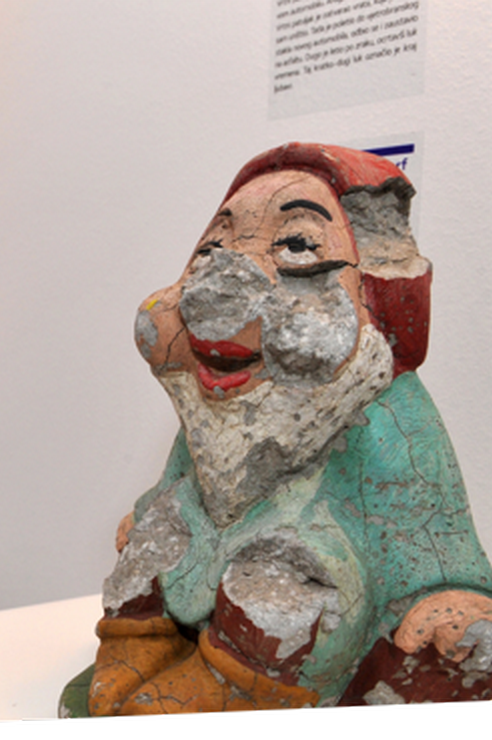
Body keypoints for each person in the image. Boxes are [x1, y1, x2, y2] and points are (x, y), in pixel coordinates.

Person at [60, 143, 492, 717]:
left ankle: (237, 680)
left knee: (283, 582)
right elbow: (187, 469)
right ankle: (138, 641)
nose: (218, 289)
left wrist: (445, 592)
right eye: (211, 249)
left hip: (307, 563)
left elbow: (428, 518)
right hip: (208, 541)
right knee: (155, 541)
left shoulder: (389, 411)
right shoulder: (215, 404)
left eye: (296, 246)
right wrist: (152, 511)